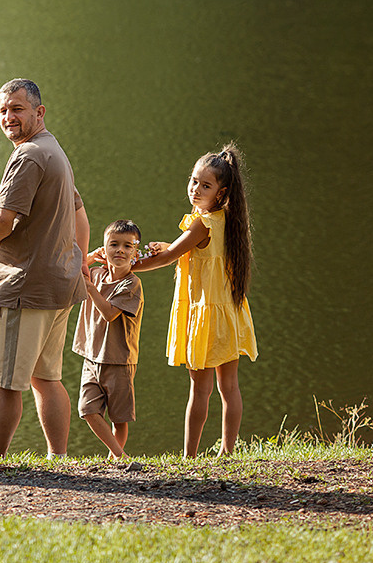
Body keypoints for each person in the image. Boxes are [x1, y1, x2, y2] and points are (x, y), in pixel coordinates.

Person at [0, 78, 90, 458]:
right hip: (58, 283)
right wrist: (80, 262)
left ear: (39, 112)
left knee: (6, 383)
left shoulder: (27, 156)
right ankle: (58, 458)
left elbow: (3, 219)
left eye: (17, 109)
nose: (9, 117)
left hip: (25, 285)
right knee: (47, 378)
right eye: (3, 110)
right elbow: (81, 216)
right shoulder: (53, 149)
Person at [131, 143, 256, 457]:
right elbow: (186, 251)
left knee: (200, 389)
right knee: (229, 388)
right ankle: (228, 452)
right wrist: (170, 246)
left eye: (205, 185)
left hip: (205, 317)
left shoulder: (201, 224)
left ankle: (190, 456)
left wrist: (125, 266)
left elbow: (171, 256)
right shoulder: (228, 219)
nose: (195, 189)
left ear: (221, 191)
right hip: (228, 311)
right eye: (193, 181)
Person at [73, 220, 145, 459]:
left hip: (119, 359)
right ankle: (119, 455)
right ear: (104, 249)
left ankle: (114, 458)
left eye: (127, 246)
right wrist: (91, 257)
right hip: (91, 357)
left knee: (119, 417)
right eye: (113, 245)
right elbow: (69, 269)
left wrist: (92, 289)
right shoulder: (95, 273)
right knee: (87, 410)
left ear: (135, 252)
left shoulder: (131, 283)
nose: (120, 251)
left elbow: (110, 313)